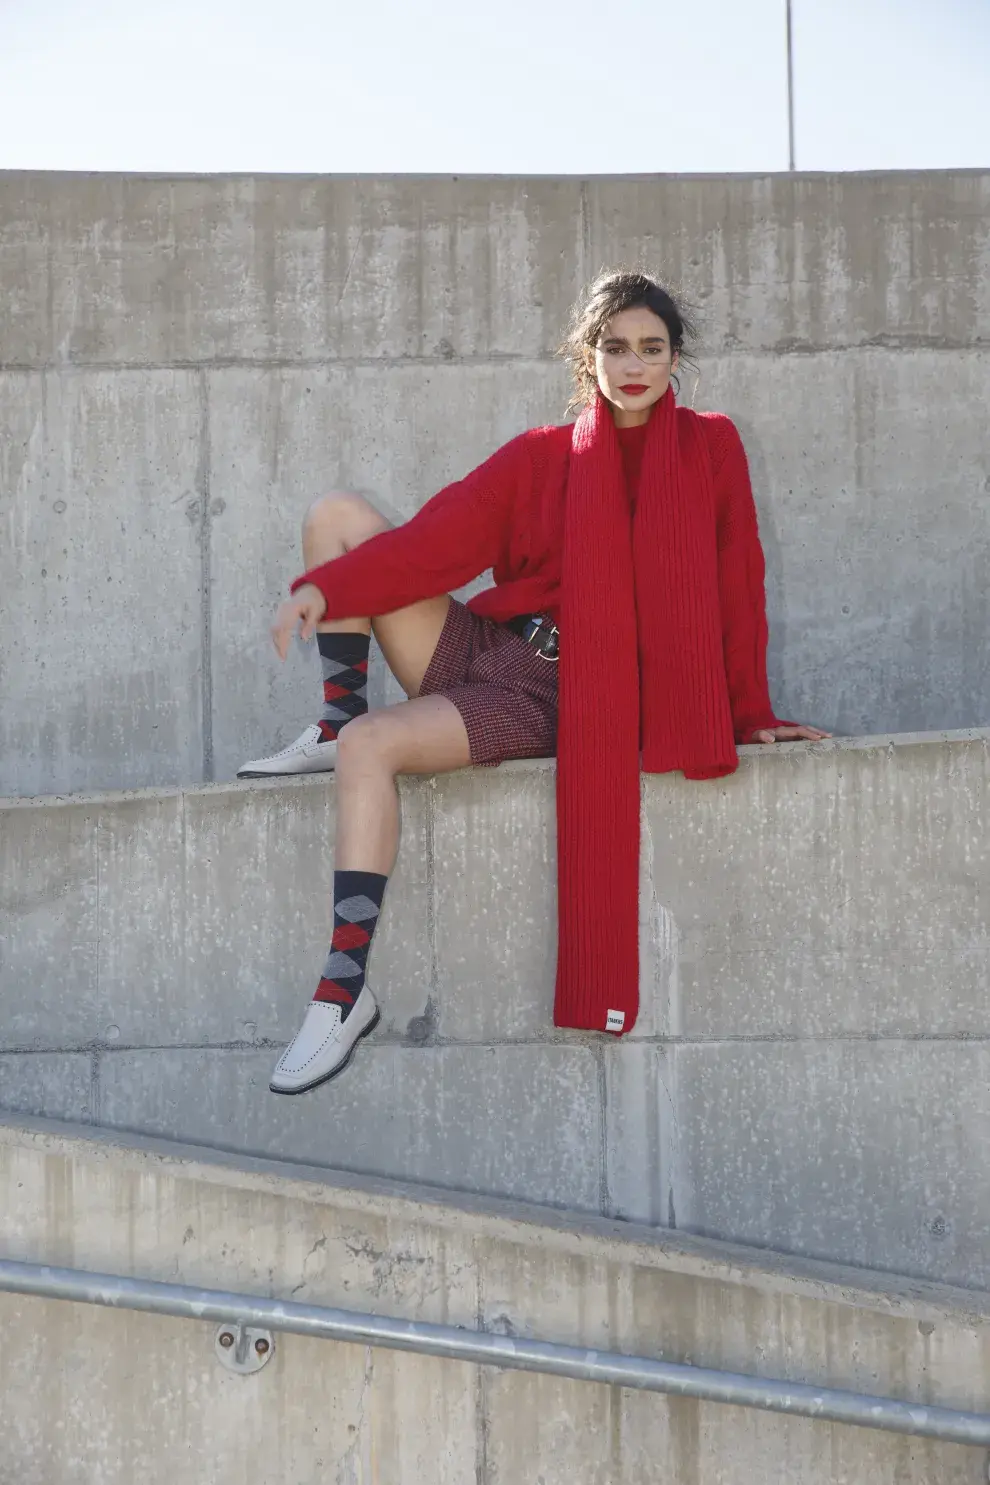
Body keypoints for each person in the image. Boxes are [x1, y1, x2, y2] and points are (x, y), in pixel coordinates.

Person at [240, 269, 829, 1095]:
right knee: (337, 517)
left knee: (377, 747)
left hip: (554, 696)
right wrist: (322, 590)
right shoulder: (543, 456)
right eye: (615, 346)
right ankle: (337, 714)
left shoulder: (711, 447)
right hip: (482, 645)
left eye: (651, 349)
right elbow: (435, 545)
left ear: (674, 359)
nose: (633, 365)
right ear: (586, 357)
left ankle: (342, 990)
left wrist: (751, 711)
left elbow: (738, 583)